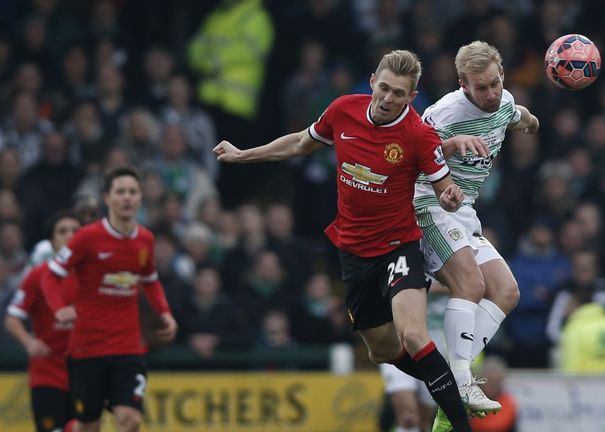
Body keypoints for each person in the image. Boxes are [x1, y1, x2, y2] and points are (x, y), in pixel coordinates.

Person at [214, 50, 472, 430]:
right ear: (372, 81)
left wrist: (450, 197)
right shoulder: (343, 110)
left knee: (415, 335)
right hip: (354, 254)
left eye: (399, 94)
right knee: (382, 350)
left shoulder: (418, 135)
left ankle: (460, 418)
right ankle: (452, 388)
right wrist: (242, 155)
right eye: (384, 88)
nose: (388, 99)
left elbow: (444, 187)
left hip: (398, 248)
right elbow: (299, 143)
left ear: (412, 97)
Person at [413, 41, 539, 422]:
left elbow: (515, 114)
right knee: (471, 285)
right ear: (463, 84)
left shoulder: (503, 101)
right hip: (428, 203)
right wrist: (450, 148)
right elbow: (408, 157)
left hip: (463, 211)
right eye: (481, 87)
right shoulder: (445, 112)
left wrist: (530, 121)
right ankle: (460, 381)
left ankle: (452, 387)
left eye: (495, 83)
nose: (491, 93)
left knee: (506, 291)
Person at [42, 167, 178, 432]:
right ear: (107, 198)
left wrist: (165, 312)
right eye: (120, 192)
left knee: (131, 420)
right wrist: (58, 308)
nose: (127, 197)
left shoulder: (145, 239)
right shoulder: (86, 238)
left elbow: (150, 280)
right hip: (88, 348)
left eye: (133, 192)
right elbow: (51, 276)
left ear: (140, 198)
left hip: (129, 347)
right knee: (89, 426)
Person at [4, 210, 82, 432]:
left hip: (85, 371)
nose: (70, 235)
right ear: (52, 241)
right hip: (48, 373)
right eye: (62, 231)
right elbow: (12, 318)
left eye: (75, 230)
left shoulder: (93, 275)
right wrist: (28, 341)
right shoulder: (38, 276)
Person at [379, 280, 449, 432]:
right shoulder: (401, 263)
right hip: (398, 335)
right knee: (408, 417)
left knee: (425, 419)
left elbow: (475, 285)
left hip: (434, 338)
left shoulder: (453, 265)